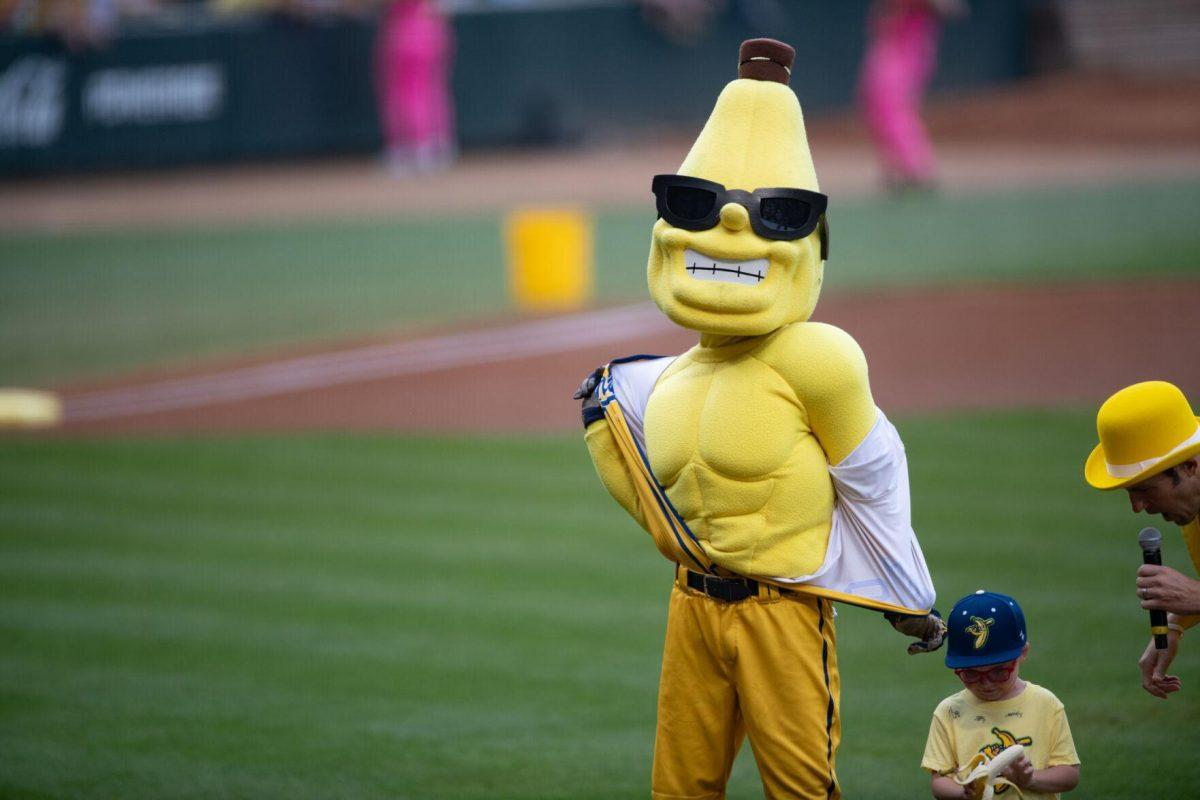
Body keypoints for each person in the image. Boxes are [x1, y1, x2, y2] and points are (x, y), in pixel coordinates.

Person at [577, 39, 944, 799]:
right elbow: (650, 489)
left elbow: (874, 476)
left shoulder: (817, 359)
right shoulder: (661, 382)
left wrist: (909, 596)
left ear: (813, 245)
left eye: (778, 216)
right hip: (691, 606)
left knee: (800, 788)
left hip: (782, 613)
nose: (729, 230)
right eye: (692, 206)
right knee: (678, 790)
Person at [1085, 380, 1200, 699]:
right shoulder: (1192, 503)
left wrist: (1196, 596)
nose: (1137, 508)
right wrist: (1175, 625)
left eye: (1144, 490)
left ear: (1189, 467)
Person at [922, 590, 1080, 800]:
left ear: (1022, 653)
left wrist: (1029, 779)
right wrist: (964, 793)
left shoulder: (1046, 704)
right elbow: (939, 781)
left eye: (998, 671)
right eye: (970, 674)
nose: (986, 683)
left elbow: (1069, 775)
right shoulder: (949, 711)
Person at [858, 0, 965, 194]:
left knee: (893, 108)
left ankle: (918, 171)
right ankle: (897, 171)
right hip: (887, 43)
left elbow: (950, 8)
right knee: (875, 109)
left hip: (909, 48)